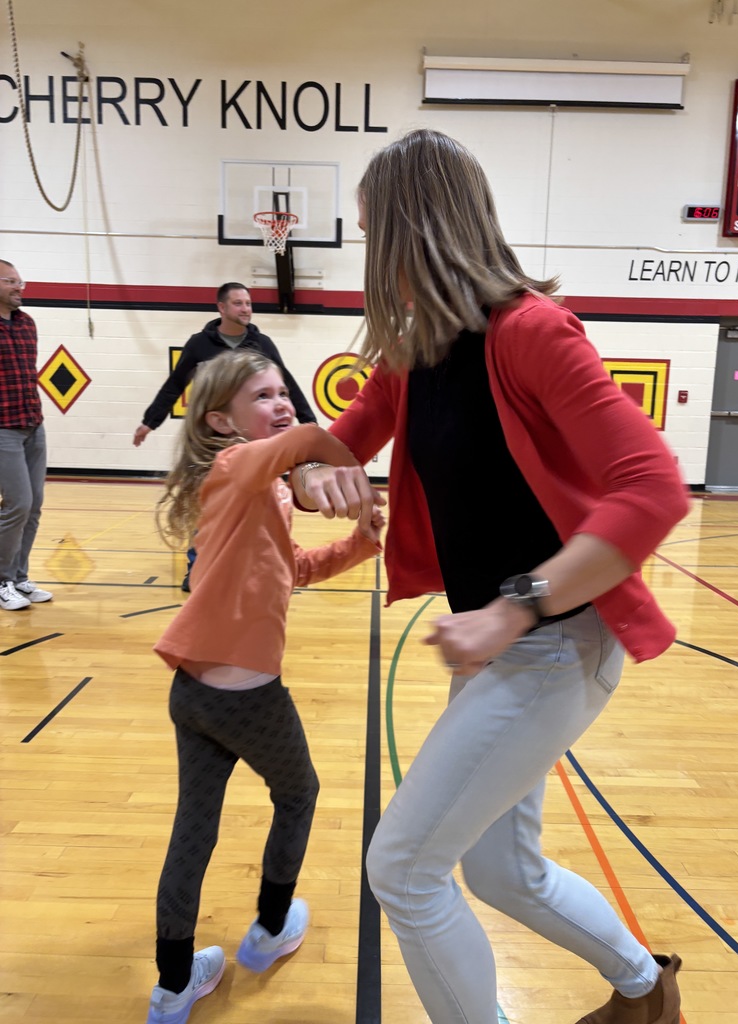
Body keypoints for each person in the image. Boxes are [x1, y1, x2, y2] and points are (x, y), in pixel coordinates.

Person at [291, 129, 689, 1024]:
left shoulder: (530, 333)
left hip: (555, 644)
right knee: (503, 870)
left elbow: (654, 488)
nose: (365, 254)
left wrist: (515, 607)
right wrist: (314, 477)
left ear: (408, 233)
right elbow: (328, 448)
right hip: (503, 657)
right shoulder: (413, 356)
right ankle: (645, 990)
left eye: (368, 233)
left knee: (402, 868)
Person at [147, 349, 383, 1024]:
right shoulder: (233, 467)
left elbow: (292, 568)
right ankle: (271, 928)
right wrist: (337, 458)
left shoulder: (262, 487)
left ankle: (172, 986)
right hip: (245, 695)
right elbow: (304, 440)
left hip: (193, 694)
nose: (281, 402)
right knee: (300, 794)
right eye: (263, 396)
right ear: (220, 420)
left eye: (284, 391)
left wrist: (360, 543)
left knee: (194, 827)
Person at [133, 281, 317, 589]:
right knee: (206, 505)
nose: (246, 309)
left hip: (254, 443)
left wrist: (308, 420)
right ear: (221, 308)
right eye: (238, 303)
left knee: (265, 502)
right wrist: (150, 422)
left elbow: (288, 384)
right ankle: (199, 567)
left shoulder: (262, 345)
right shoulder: (199, 345)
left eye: (248, 303)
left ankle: (261, 563)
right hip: (210, 442)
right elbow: (174, 385)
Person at [0, 261, 53, 612]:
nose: (21, 288)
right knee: (17, 504)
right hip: (3, 428)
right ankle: (2, 580)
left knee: (33, 505)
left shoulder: (26, 324)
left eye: (22, 282)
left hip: (33, 425)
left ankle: (19, 576)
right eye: (12, 282)